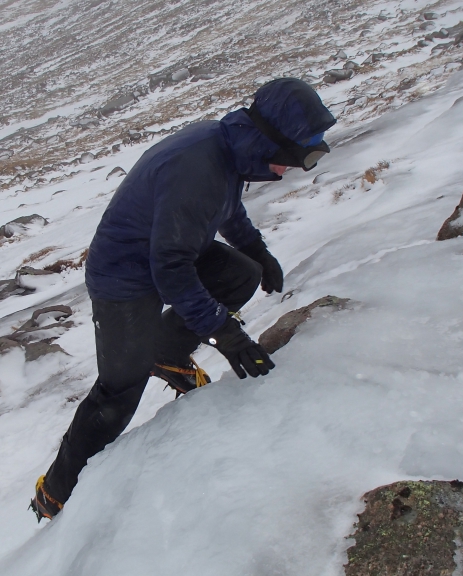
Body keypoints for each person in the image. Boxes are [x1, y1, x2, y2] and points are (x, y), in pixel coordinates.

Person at [30, 78, 336, 521]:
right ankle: (57, 493)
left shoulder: (227, 148)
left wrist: (257, 251)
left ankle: (166, 351)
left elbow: (225, 208)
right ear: (269, 142)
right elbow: (170, 270)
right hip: (123, 279)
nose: (291, 169)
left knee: (240, 275)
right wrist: (224, 333)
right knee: (118, 393)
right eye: (293, 159)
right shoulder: (198, 168)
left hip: (166, 250)